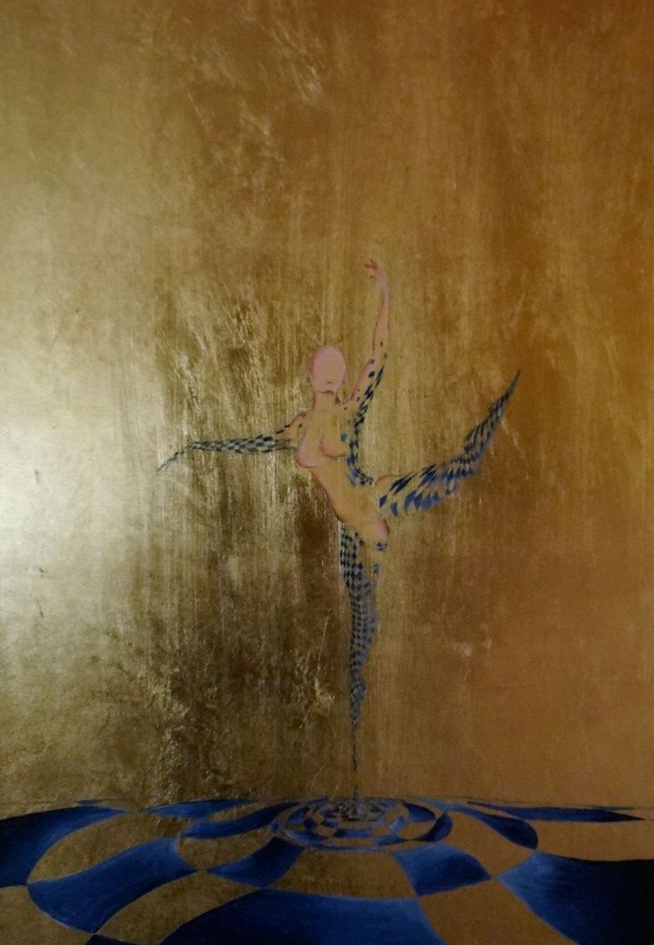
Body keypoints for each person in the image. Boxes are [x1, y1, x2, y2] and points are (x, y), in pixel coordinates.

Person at [161, 262, 519, 773]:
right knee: (360, 630)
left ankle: (496, 414)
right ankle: (354, 751)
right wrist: (198, 446)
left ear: (342, 377)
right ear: (312, 376)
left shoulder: (350, 411)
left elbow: (379, 358)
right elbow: (253, 443)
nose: (333, 374)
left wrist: (386, 296)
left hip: (374, 504)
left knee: (454, 473)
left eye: (338, 369)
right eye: (325, 368)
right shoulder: (298, 427)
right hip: (354, 530)